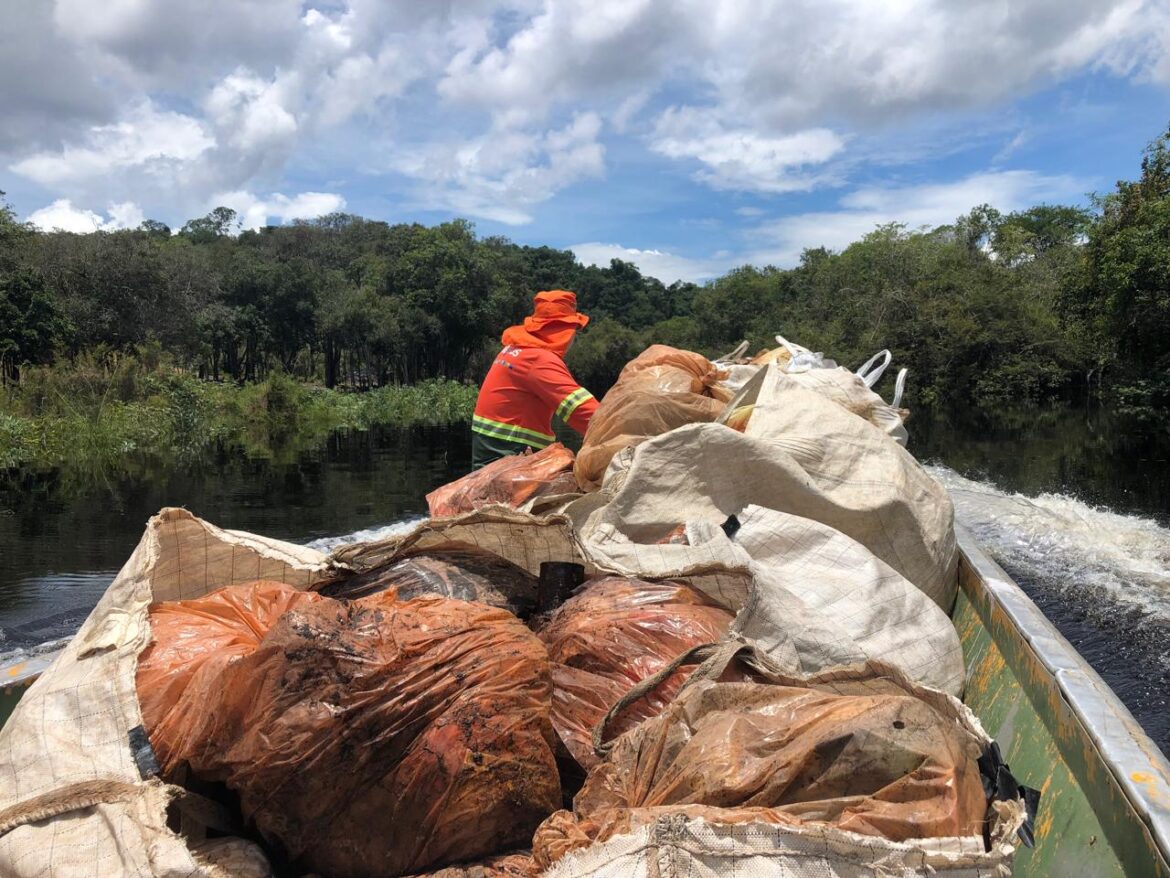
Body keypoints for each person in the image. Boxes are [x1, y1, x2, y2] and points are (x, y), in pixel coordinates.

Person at [471, 289, 598, 469]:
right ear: (567, 330)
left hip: (492, 463)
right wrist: (630, 430)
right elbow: (584, 411)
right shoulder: (539, 359)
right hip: (509, 464)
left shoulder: (516, 350)